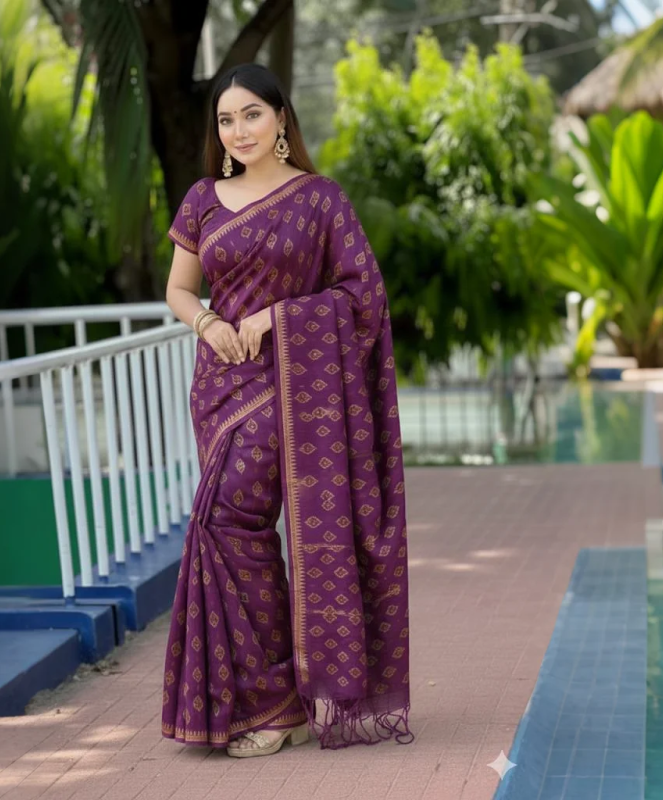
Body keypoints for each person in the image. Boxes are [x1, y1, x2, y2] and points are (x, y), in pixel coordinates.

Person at [161, 62, 413, 758]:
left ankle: (274, 704)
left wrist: (276, 317)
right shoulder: (203, 199)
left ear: (280, 119)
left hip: (294, 387)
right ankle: (272, 700)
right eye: (225, 119)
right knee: (234, 533)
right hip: (219, 386)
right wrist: (207, 323)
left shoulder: (320, 200)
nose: (237, 131)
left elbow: (363, 296)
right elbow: (179, 289)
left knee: (229, 519)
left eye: (251, 115)